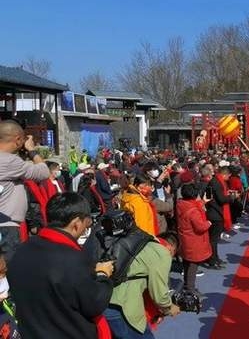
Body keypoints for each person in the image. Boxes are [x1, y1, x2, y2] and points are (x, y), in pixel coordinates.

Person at [8, 193, 115, 339]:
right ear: (76, 223)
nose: (86, 228)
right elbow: (94, 303)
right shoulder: (72, 259)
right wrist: (103, 274)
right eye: (86, 222)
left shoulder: (22, 250)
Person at [99, 211, 181, 338]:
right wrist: (169, 308)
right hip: (121, 306)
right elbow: (159, 294)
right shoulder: (161, 253)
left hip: (103, 297)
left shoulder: (141, 243)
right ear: (171, 248)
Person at [0, 121, 50, 261]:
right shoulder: (9, 161)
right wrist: (31, 150)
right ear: (17, 140)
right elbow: (43, 172)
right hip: (6, 228)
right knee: (8, 273)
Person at [176, 183, 212, 292]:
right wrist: (208, 223)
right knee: (192, 266)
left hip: (185, 239)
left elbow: (193, 205)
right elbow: (200, 227)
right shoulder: (193, 211)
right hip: (194, 241)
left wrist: (202, 202)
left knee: (187, 263)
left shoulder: (181, 204)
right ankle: (190, 290)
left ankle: (187, 285)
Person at [204, 166, 237, 268]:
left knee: (213, 239)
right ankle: (213, 260)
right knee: (213, 239)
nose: (228, 179)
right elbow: (221, 199)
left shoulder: (214, 182)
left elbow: (209, 197)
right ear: (224, 174)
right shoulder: (217, 183)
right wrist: (232, 197)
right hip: (216, 214)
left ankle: (215, 258)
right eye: (228, 176)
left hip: (213, 212)